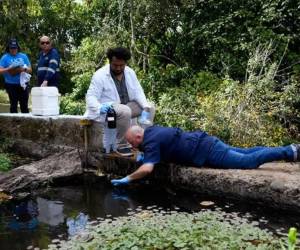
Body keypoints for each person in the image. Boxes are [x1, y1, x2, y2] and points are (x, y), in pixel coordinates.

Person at [111, 125, 300, 186]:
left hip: (208, 151)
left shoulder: (150, 142)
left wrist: (127, 178)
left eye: (131, 142)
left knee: (247, 162)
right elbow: (160, 149)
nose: (131, 146)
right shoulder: (151, 131)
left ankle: (289, 151)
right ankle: (290, 149)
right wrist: (144, 154)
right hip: (206, 142)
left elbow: (147, 168)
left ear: (138, 136)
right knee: (246, 152)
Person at [84, 47, 154, 156]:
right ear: (110, 62)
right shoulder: (100, 75)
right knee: (125, 111)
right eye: (115, 65)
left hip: (125, 106)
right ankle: (121, 145)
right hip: (109, 109)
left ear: (125, 63)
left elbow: (138, 92)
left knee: (150, 107)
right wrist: (99, 107)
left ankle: (145, 141)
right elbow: (90, 97)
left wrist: (145, 107)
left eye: (121, 65)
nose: (118, 68)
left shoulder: (130, 72)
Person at [0, 38, 32, 113]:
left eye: (15, 48)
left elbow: (30, 70)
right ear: (9, 48)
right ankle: (14, 123)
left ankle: (26, 123)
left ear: (18, 48)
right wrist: (8, 68)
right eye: (11, 48)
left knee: (24, 106)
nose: (13, 49)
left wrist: (23, 69)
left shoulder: (23, 56)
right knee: (13, 105)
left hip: (23, 84)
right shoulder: (5, 57)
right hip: (11, 85)